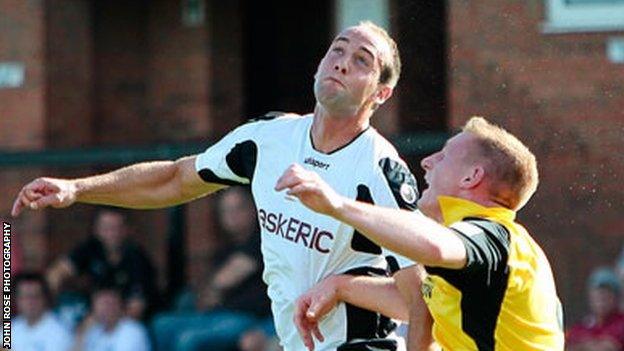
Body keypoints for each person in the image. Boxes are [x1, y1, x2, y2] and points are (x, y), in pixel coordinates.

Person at [11, 21, 422, 350]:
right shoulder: (268, 138)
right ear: (319, 65)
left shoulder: (382, 171)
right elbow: (175, 178)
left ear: (381, 94)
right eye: (338, 49)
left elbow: (422, 301)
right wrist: (77, 189)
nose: (342, 62)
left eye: (362, 60)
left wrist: (342, 286)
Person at [276, 116, 565, 350]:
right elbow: (420, 300)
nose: (427, 161)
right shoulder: (494, 243)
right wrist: (341, 287)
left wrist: (336, 205)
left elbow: (435, 247)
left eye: (444, 156)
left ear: (471, 177)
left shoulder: (493, 235)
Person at [151, 187, 273, 351]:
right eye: (226, 210)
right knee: (161, 324)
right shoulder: (225, 246)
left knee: (189, 340)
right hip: (218, 313)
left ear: (252, 209)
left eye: (238, 208)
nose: (232, 216)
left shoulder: (261, 240)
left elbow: (223, 280)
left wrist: (210, 290)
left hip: (248, 317)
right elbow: (205, 292)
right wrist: (207, 293)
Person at [78, 285, 151, 351]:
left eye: (109, 303)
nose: (106, 309)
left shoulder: (133, 330)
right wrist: (83, 333)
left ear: (119, 306)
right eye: (101, 304)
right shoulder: (94, 332)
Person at [12, 272, 74, 351]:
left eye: (35, 296)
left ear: (45, 298)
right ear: (16, 299)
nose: (30, 301)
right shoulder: (9, 329)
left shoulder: (60, 332)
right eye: (25, 296)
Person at [567, 267, 624, 351]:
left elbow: (609, 348)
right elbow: (569, 347)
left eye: (607, 294)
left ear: (616, 298)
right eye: (598, 294)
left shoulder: (621, 323)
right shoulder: (581, 326)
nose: (602, 298)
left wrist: (584, 345)